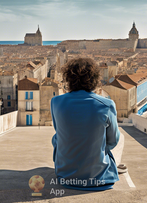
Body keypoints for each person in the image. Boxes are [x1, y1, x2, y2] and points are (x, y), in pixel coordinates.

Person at [51, 57, 121, 191]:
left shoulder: (56, 102)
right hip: (99, 179)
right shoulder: (107, 104)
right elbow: (113, 141)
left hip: (65, 178)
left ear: (68, 79)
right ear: (94, 79)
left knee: (56, 138)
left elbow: (59, 132)